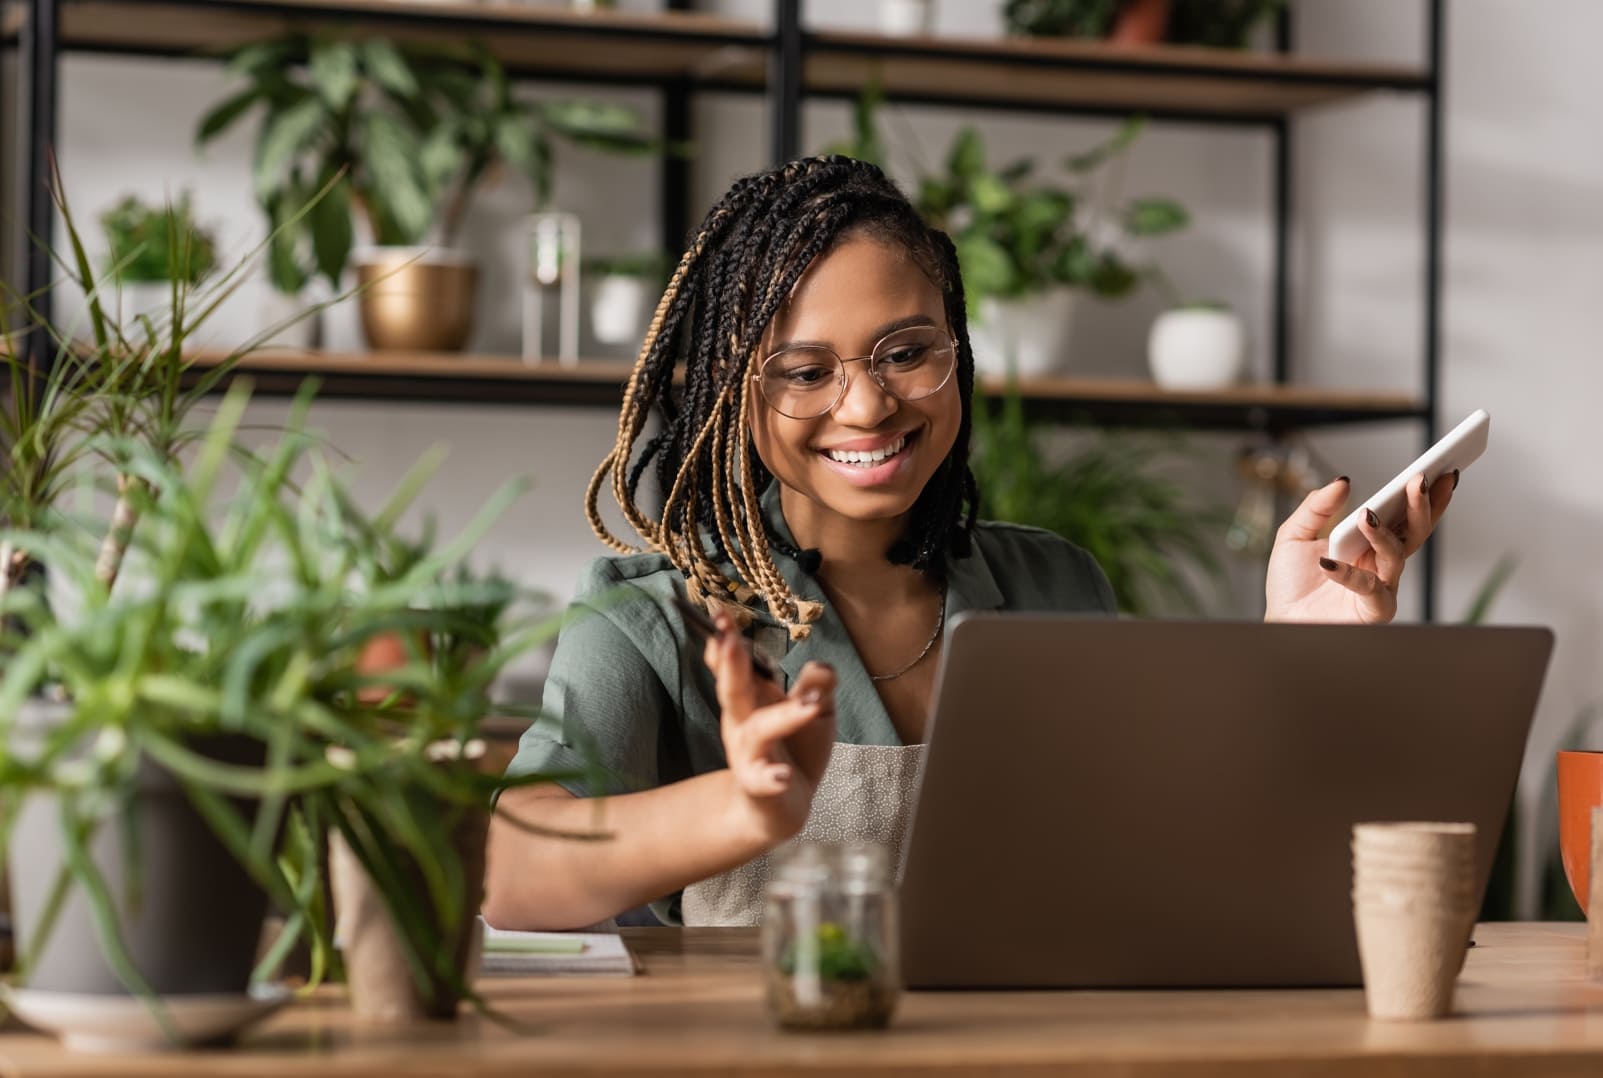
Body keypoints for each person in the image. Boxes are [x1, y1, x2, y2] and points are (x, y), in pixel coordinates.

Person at [483, 156, 1454, 930]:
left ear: (959, 351)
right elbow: (516, 873)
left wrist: (1295, 659)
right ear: (732, 394)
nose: (866, 403)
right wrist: (742, 809)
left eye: (906, 351)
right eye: (803, 369)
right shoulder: (645, 616)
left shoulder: (1053, 585)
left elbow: (1171, 862)